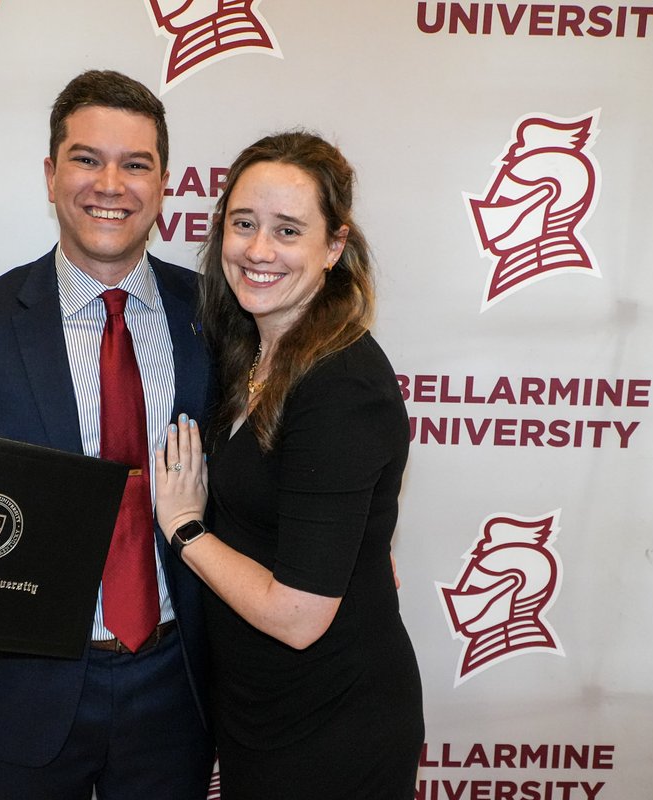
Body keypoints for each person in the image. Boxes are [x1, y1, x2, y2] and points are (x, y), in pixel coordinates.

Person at [0, 70, 215, 800]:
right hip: (25, 682)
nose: (110, 183)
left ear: (164, 182)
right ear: (51, 175)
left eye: (135, 163)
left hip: (180, 683)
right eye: (86, 159)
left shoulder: (220, 316)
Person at [155, 130, 424, 799]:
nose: (259, 250)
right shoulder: (251, 344)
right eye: (243, 224)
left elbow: (300, 616)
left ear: (334, 246)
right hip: (260, 710)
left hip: (332, 724)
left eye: (288, 230)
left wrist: (186, 528)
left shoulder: (343, 386)